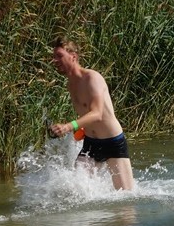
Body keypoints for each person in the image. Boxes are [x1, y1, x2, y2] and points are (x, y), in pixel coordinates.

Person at [48, 36, 135, 190]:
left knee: (126, 196)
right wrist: (80, 129)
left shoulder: (92, 78)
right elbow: (85, 114)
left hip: (112, 142)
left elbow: (97, 113)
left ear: (73, 56)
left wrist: (68, 126)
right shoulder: (71, 84)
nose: (54, 60)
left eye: (59, 56)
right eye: (54, 56)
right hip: (91, 144)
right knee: (76, 192)